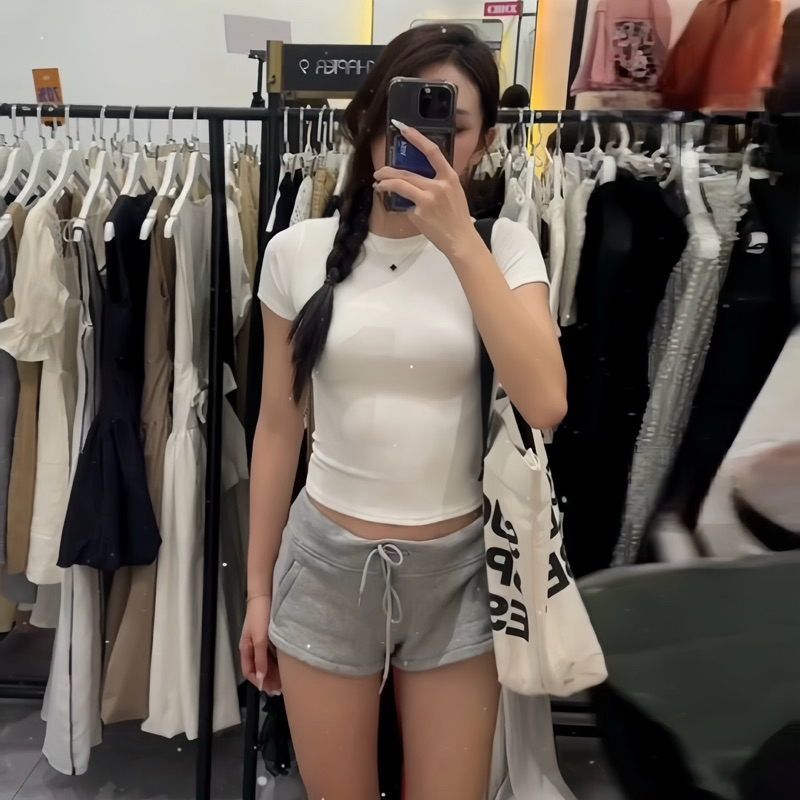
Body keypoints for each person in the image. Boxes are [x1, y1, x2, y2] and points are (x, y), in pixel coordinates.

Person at [240, 23, 566, 800]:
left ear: (483, 142)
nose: (416, 142)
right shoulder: (297, 252)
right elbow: (278, 428)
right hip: (325, 565)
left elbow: (546, 401)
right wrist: (257, 591)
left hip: (458, 573)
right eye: (400, 118)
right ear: (367, 121)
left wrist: (459, 244)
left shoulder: (506, 248)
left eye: (450, 126)